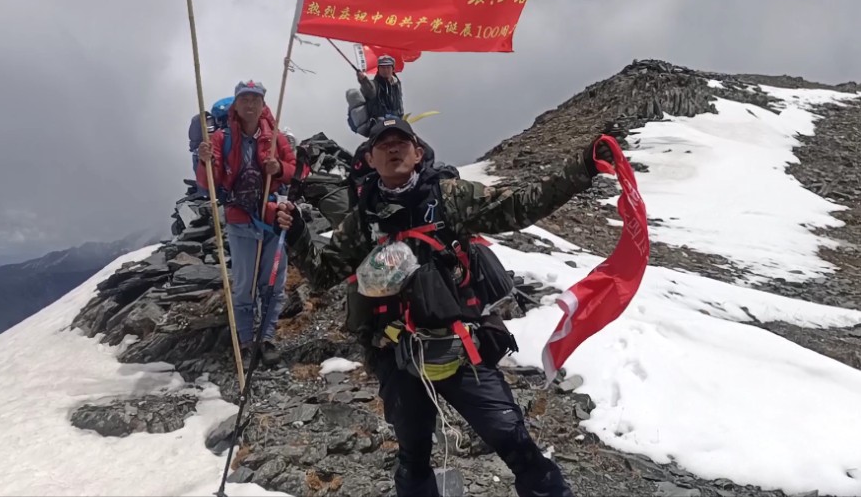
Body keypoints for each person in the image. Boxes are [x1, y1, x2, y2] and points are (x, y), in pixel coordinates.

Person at [275, 118, 616, 497]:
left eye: (401, 142)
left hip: (462, 345)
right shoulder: (362, 220)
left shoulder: (451, 197)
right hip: (396, 353)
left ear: (418, 153)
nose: (393, 149)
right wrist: (296, 234)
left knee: (512, 439)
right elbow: (323, 275)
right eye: (383, 145)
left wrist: (582, 167)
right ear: (370, 159)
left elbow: (520, 207)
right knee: (414, 453)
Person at [196, 80, 296, 367]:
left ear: (263, 104)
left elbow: (297, 170)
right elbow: (209, 184)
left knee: (273, 284)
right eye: (244, 99)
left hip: (272, 219)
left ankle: (266, 338)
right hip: (240, 220)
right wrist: (204, 163)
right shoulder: (220, 140)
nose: (250, 104)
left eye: (255, 99)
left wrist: (280, 169)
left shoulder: (276, 137)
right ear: (236, 105)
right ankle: (246, 340)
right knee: (243, 287)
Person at [357, 55, 404, 120]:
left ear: (393, 69)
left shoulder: (397, 85)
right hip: (378, 123)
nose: (385, 70)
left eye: (388, 67)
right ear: (378, 69)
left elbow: (400, 103)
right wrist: (363, 80)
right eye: (382, 67)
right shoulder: (374, 84)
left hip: (396, 121)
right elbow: (369, 89)